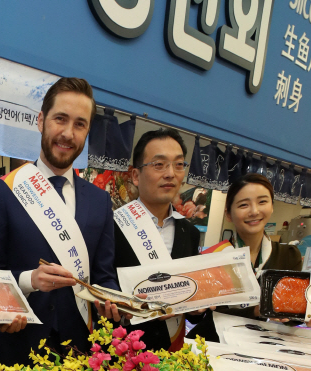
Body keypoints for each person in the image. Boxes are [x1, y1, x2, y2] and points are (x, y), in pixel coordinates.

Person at [0, 77, 118, 368]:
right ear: (41, 120)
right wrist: (30, 281)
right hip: (15, 350)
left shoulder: (100, 201)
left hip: (78, 355)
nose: (68, 133)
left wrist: (113, 301)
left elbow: (105, 276)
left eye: (80, 124)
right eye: (60, 119)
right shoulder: (5, 190)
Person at [108, 127, 199, 352]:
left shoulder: (190, 233)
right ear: (136, 175)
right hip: (122, 355)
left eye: (178, 164)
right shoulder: (112, 225)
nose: (170, 173)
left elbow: (193, 298)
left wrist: (198, 306)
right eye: (159, 164)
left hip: (172, 355)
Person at [190, 173, 303, 340]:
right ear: (228, 213)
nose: (254, 211)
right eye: (243, 205)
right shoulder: (214, 256)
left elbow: (292, 318)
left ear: (272, 207)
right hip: (215, 343)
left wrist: (302, 310)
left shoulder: (289, 256)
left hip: (263, 347)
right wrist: (257, 310)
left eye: (262, 202)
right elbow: (202, 315)